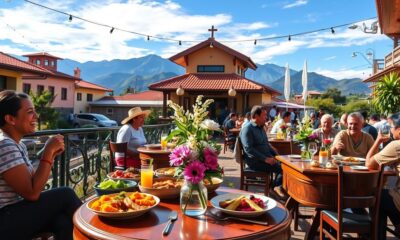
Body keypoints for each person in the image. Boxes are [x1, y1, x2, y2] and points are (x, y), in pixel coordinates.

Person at [0, 90, 82, 240]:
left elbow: (34, 183)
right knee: (66, 193)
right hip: (4, 219)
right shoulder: (5, 145)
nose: (36, 117)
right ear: (10, 119)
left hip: (14, 213)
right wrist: (47, 152)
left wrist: (50, 155)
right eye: (30, 112)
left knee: (63, 222)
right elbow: (32, 193)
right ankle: (98, 232)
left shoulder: (17, 145)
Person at [365, 112, 400, 238]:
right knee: (387, 191)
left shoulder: (396, 145)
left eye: (391, 126)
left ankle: (376, 236)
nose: (389, 130)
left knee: (377, 194)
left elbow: (369, 164)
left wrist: (377, 141)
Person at [240, 105, 285, 198]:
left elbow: (266, 145)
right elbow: (248, 149)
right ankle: (275, 188)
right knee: (283, 169)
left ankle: (275, 187)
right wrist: (265, 159)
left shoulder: (261, 128)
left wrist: (277, 156)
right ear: (256, 116)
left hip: (264, 159)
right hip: (255, 162)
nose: (266, 118)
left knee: (286, 165)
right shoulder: (247, 128)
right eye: (264, 115)